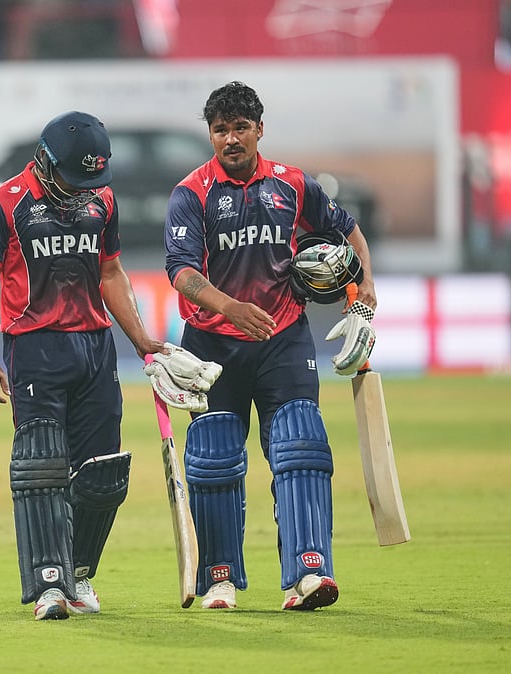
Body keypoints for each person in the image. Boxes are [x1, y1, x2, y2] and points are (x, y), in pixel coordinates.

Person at [162, 81, 377, 611]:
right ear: (210, 134)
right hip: (212, 344)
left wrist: (362, 298)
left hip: (284, 338)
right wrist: (230, 307)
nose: (230, 139)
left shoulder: (292, 184)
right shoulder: (191, 193)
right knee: (213, 461)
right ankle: (219, 578)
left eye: (240, 128)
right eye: (220, 129)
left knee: (301, 448)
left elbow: (348, 233)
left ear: (259, 129)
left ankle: (308, 574)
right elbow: (181, 273)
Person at [0, 110, 166, 621]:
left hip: (96, 348)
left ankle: (79, 573)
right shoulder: (2, 206)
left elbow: (112, 272)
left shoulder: (100, 200)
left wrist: (142, 339)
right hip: (34, 349)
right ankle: (49, 585)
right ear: (45, 160)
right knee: (42, 470)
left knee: (103, 474)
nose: (82, 190)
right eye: (73, 178)